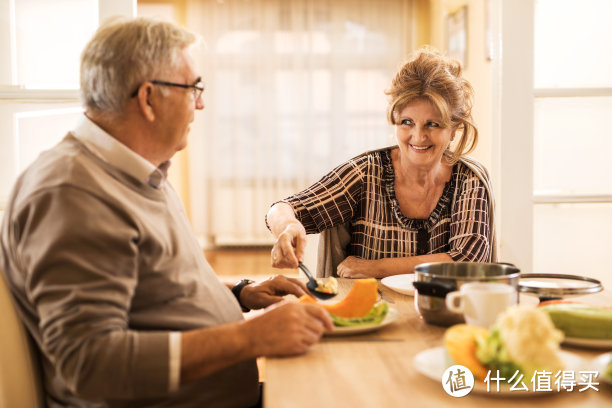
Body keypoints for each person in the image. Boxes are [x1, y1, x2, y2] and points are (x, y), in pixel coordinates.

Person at [0, 17, 332, 408]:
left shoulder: (136, 170)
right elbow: (89, 363)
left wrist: (241, 293)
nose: (201, 102)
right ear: (148, 98)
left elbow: (152, 287)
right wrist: (251, 337)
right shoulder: (71, 194)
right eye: (194, 88)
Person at [266, 47, 497, 279]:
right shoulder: (365, 173)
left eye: (433, 124)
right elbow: (283, 208)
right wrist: (288, 227)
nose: (418, 137)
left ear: (454, 129)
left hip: (445, 312)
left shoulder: (469, 180)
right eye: (407, 122)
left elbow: (467, 260)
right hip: (369, 311)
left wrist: (377, 268)